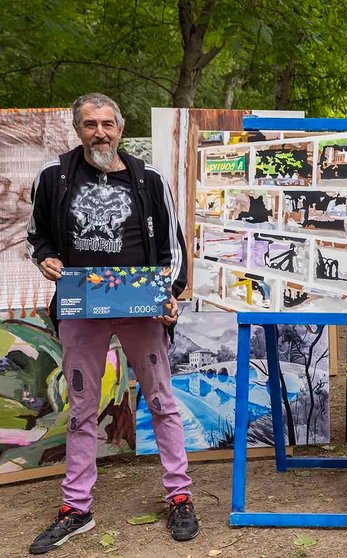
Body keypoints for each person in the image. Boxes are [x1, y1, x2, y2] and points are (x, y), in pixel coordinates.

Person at [26, 93, 197, 554]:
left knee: (161, 400)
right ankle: (76, 507)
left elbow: (175, 246)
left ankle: (179, 494)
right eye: (89, 124)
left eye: (107, 124)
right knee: (82, 409)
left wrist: (170, 294)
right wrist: (45, 259)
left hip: (141, 305)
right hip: (82, 306)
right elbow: (36, 235)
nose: (99, 132)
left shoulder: (148, 179)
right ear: (77, 129)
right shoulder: (55, 177)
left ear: (121, 128)